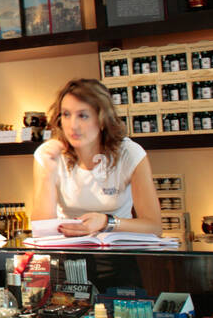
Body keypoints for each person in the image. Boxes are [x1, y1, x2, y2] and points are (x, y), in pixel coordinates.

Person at [32, 78, 162, 236]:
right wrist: (48, 175)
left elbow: (154, 227)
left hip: (118, 251)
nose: (72, 125)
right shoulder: (48, 154)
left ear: (102, 120)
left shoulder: (130, 153)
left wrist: (106, 222)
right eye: (66, 114)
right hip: (69, 251)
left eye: (83, 116)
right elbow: (41, 233)